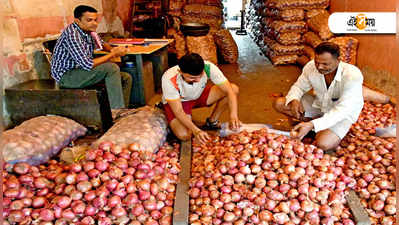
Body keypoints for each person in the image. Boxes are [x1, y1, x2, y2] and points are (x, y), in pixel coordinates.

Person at [273, 42, 364, 151]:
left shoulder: (352, 75)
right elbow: (299, 87)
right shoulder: (311, 66)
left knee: (323, 144)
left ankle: (319, 127)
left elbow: (343, 109)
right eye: (317, 62)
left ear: (338, 60)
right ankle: (312, 125)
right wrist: (294, 99)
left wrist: (312, 124)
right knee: (280, 103)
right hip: (321, 105)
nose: (320, 67)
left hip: (342, 114)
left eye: (325, 64)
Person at [51, 5, 130, 109]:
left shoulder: (89, 31)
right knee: (111, 68)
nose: (94, 23)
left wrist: (112, 49)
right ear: (77, 21)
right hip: (67, 77)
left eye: (95, 20)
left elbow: (101, 44)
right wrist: (113, 54)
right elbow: (88, 64)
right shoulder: (73, 35)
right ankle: (115, 111)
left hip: (80, 71)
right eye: (89, 20)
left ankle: (121, 110)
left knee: (125, 77)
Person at [161, 53, 241, 144]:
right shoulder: (169, 78)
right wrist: (196, 131)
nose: (198, 80)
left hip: (198, 95)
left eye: (200, 76)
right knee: (185, 135)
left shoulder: (209, 67)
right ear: (180, 72)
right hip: (180, 102)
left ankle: (212, 122)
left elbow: (229, 91)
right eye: (192, 78)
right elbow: (178, 111)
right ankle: (166, 112)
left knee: (233, 89)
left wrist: (233, 115)